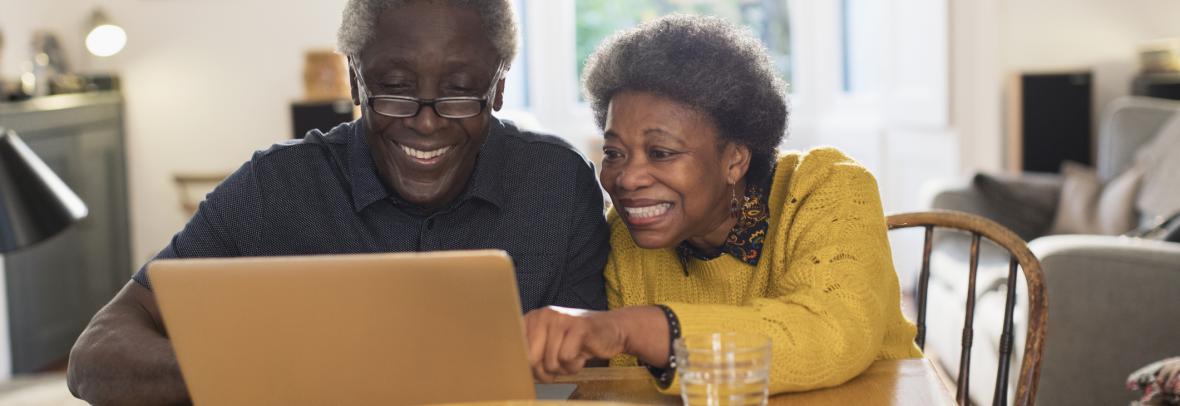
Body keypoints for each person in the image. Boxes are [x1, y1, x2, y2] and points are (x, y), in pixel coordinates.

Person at [66, 1, 609, 404]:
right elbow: (94, 356)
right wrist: (269, 376)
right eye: (393, 88)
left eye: (460, 90)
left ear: (497, 88)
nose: (425, 121)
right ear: (354, 77)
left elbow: (592, 376)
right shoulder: (275, 186)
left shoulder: (558, 184)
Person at [522, 15, 921, 394]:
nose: (626, 178)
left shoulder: (830, 185)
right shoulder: (626, 238)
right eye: (614, 152)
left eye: (660, 152)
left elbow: (829, 333)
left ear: (734, 159)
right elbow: (634, 387)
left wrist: (626, 328)